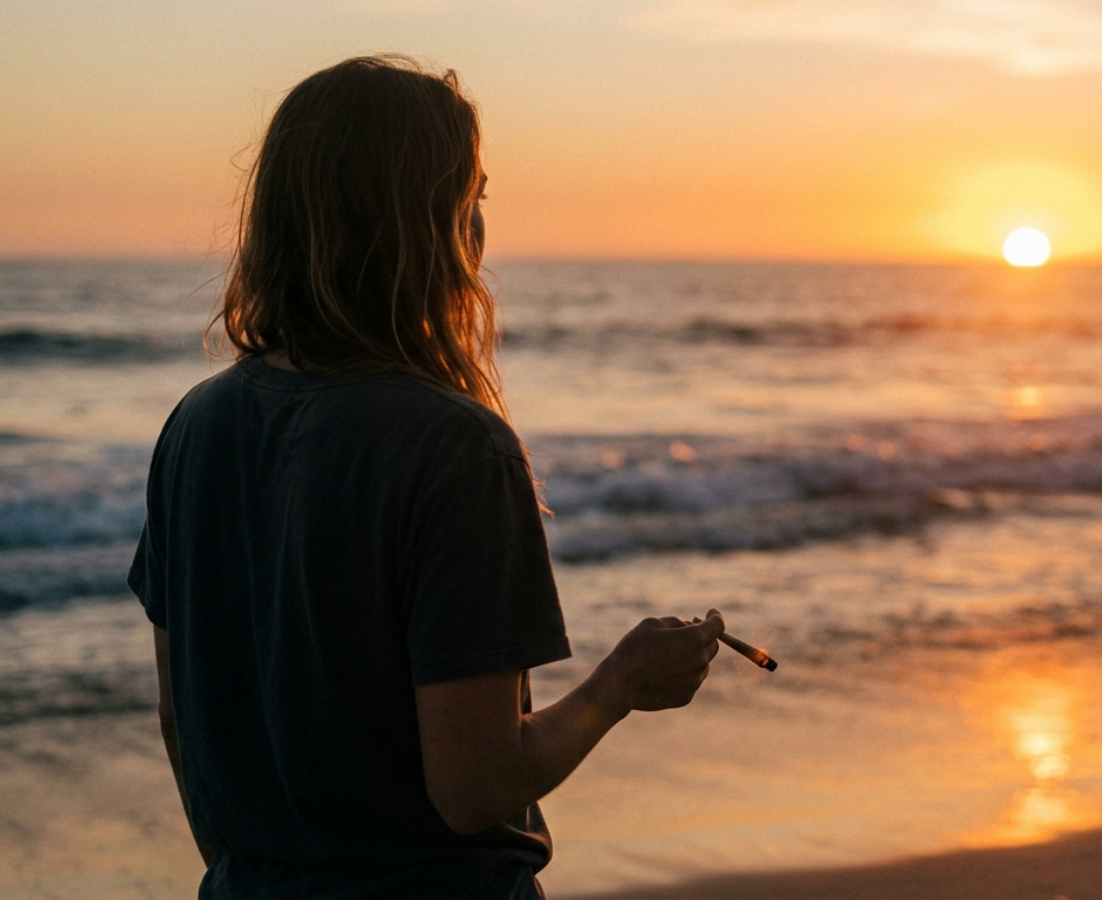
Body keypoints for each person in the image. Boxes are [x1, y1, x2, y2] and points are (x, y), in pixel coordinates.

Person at [127, 55, 724, 899]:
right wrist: (619, 684)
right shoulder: (453, 447)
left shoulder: (195, 426)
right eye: (471, 197)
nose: (479, 228)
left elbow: (180, 719)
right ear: (422, 221)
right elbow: (474, 785)